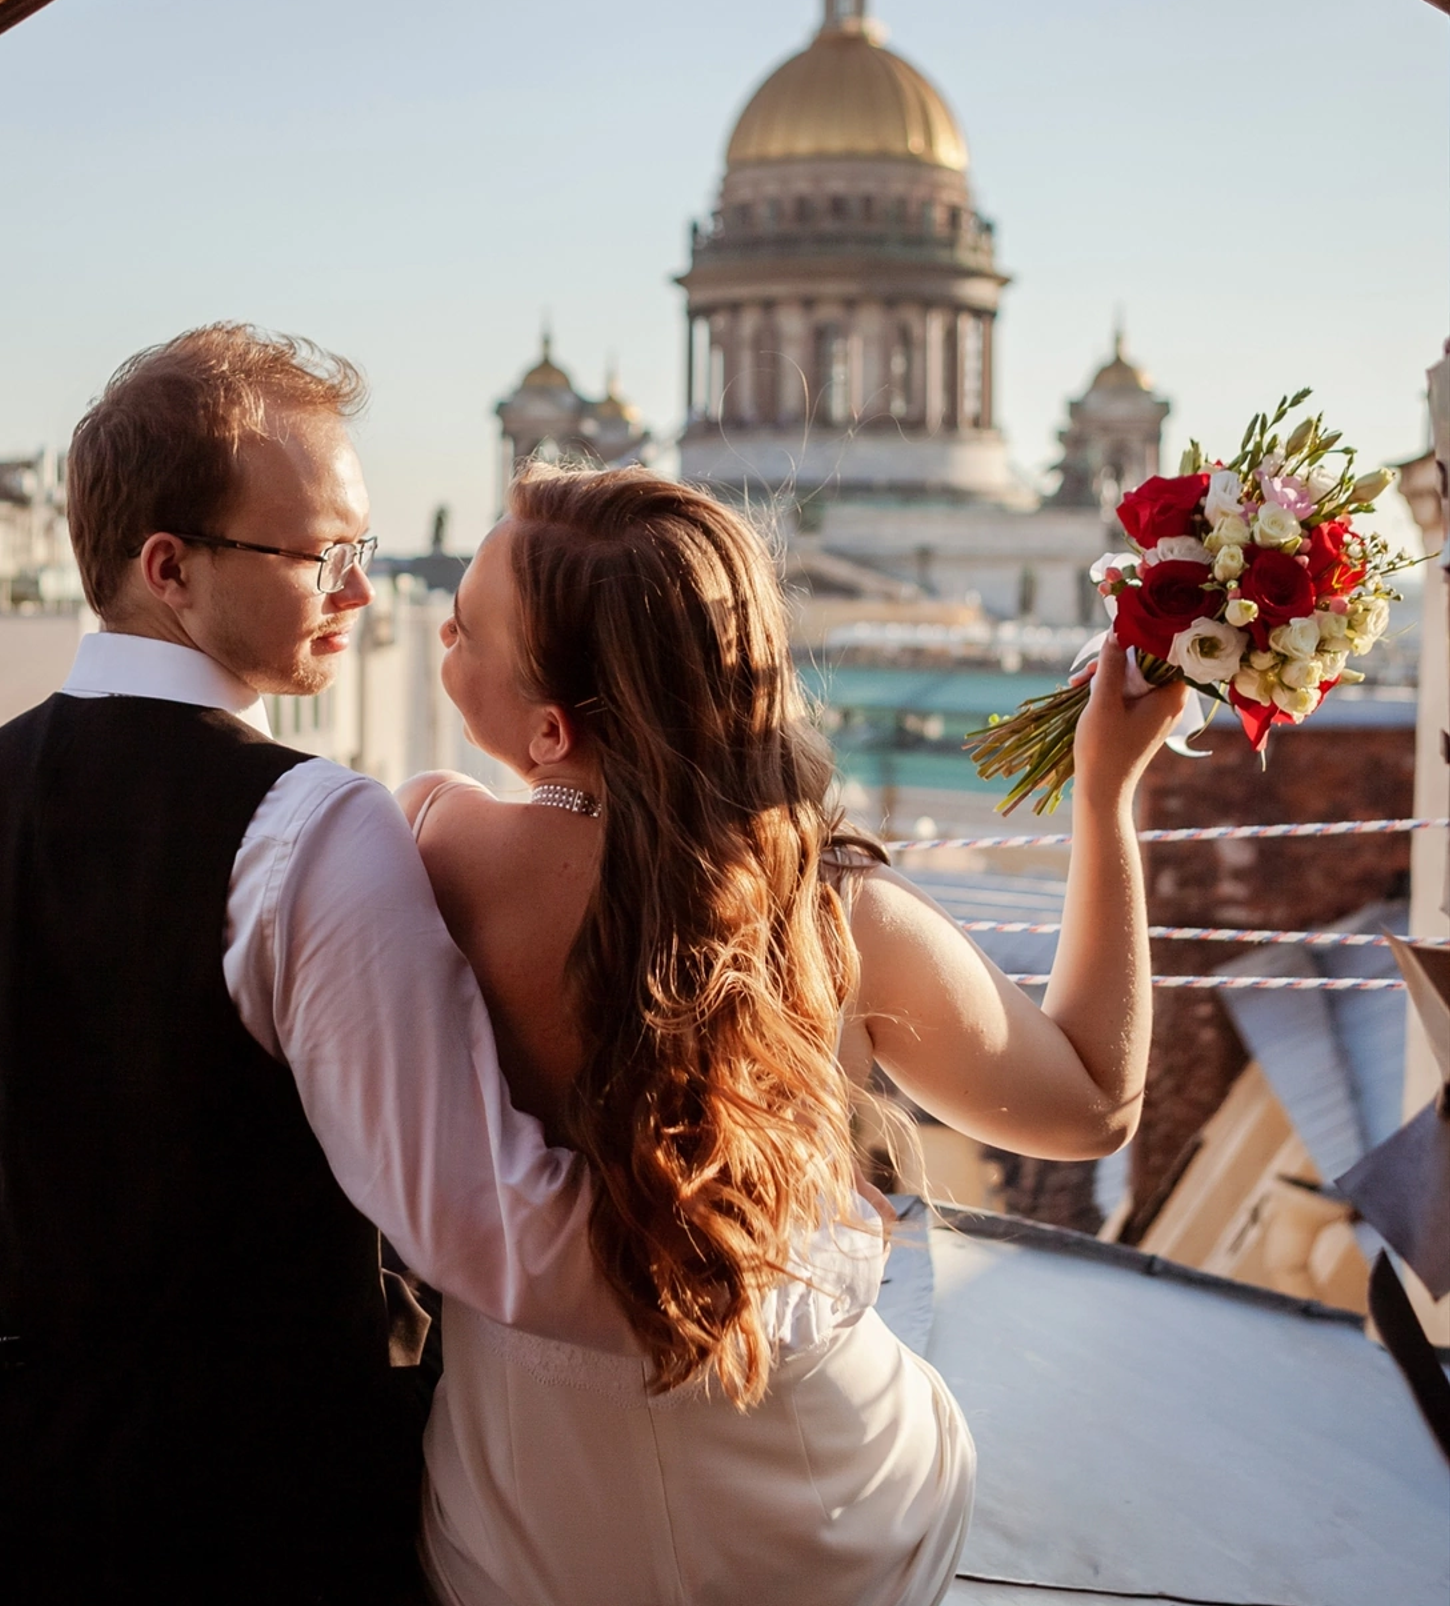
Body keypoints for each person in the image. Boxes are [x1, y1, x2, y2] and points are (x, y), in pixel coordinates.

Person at [0, 329, 626, 1606]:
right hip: (253, 1529)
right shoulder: (313, 826)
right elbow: (483, 1227)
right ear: (169, 568)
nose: (360, 593)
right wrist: (752, 1260)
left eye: (363, 553)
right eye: (321, 555)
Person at [400, 464, 1189, 1606]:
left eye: (464, 628)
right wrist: (1105, 795)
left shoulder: (427, 851)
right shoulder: (832, 909)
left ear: (550, 730)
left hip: (528, 1529)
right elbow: (1094, 1107)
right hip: (827, 1527)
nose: (441, 629)